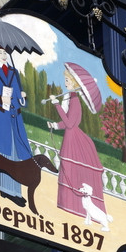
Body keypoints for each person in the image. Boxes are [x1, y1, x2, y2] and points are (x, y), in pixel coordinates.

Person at [47, 64, 107, 220]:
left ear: (74, 83)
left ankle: (77, 207)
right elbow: (67, 124)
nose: (65, 82)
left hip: (74, 141)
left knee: (72, 170)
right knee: (68, 169)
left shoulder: (75, 101)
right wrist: (54, 125)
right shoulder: (71, 98)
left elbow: (69, 123)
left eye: (67, 80)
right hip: (70, 137)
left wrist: (56, 105)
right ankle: (67, 204)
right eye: (65, 79)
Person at [0, 45, 31, 206]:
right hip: (0, 115)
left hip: (15, 116)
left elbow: (18, 95)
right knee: (5, 151)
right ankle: (5, 189)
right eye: (1, 52)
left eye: (6, 52)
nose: (4, 55)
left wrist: (22, 98)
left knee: (17, 153)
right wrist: (1, 99)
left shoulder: (13, 71)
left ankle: (15, 191)